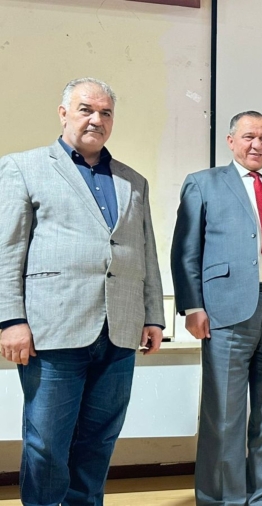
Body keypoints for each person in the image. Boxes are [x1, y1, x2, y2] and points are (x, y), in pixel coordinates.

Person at [0, 77, 165, 505]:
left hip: (120, 330)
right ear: (63, 114)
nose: (96, 119)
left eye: (105, 112)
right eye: (86, 109)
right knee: (46, 443)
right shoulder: (22, 167)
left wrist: (153, 316)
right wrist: (11, 320)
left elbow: (145, 252)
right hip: (52, 329)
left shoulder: (133, 181)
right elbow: (7, 250)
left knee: (99, 441)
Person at [171, 110, 262, 506]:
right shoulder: (203, 184)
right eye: (249, 137)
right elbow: (185, 250)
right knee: (224, 415)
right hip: (226, 312)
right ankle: (223, 500)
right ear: (231, 141)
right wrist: (192, 306)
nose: (257, 144)